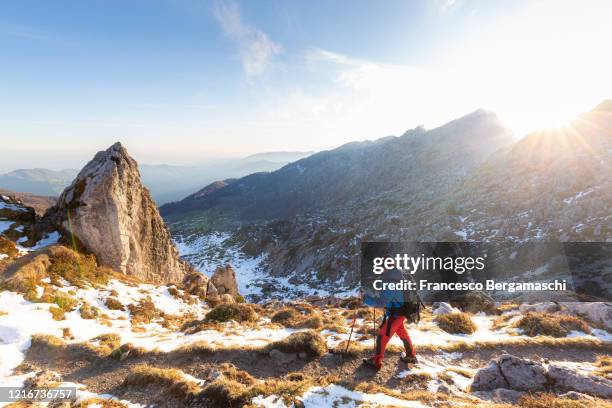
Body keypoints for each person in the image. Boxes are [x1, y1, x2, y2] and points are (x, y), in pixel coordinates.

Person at [362, 267, 419, 370]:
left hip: (396, 315)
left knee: (382, 336)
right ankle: (411, 356)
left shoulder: (391, 283)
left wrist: (365, 298)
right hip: (400, 313)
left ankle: (376, 362)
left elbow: (381, 302)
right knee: (402, 333)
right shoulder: (396, 278)